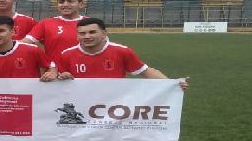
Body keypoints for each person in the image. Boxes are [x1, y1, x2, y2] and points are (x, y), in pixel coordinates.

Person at [57, 18, 189, 90]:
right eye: (82, 33)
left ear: (104, 33)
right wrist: (62, 77)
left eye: (92, 32)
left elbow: (146, 71)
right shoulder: (66, 54)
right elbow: (58, 81)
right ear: (77, 35)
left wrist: (171, 84)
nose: (87, 36)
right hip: (80, 102)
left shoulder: (122, 51)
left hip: (114, 103)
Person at [24, 0, 88, 65]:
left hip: (84, 69)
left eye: (70, 1)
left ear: (81, 4)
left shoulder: (91, 24)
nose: (65, 4)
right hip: (55, 71)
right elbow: (26, 41)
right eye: (61, 2)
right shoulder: (46, 23)